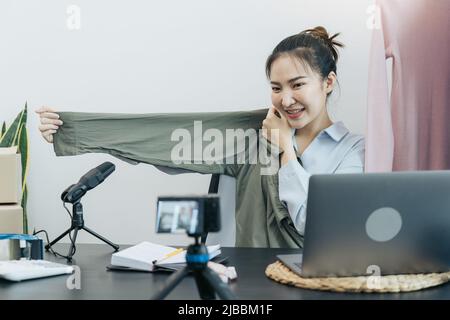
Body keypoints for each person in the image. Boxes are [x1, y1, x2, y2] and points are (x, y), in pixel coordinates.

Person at [36, 26, 364, 247]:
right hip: (250, 286)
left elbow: (316, 225)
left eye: (297, 84)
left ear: (328, 82)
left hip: (315, 289)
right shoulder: (253, 134)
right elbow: (173, 146)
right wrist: (74, 132)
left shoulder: (354, 151)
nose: (286, 99)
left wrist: (285, 152)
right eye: (276, 88)